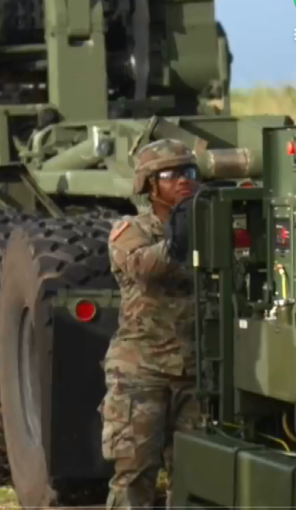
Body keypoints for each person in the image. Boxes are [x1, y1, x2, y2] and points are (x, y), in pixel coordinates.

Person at [101, 139, 202, 510]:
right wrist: (179, 243)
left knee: (195, 478)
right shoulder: (130, 230)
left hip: (194, 374)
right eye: (170, 174)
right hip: (141, 373)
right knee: (134, 475)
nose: (183, 181)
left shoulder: (208, 228)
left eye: (189, 172)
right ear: (149, 183)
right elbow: (143, 267)